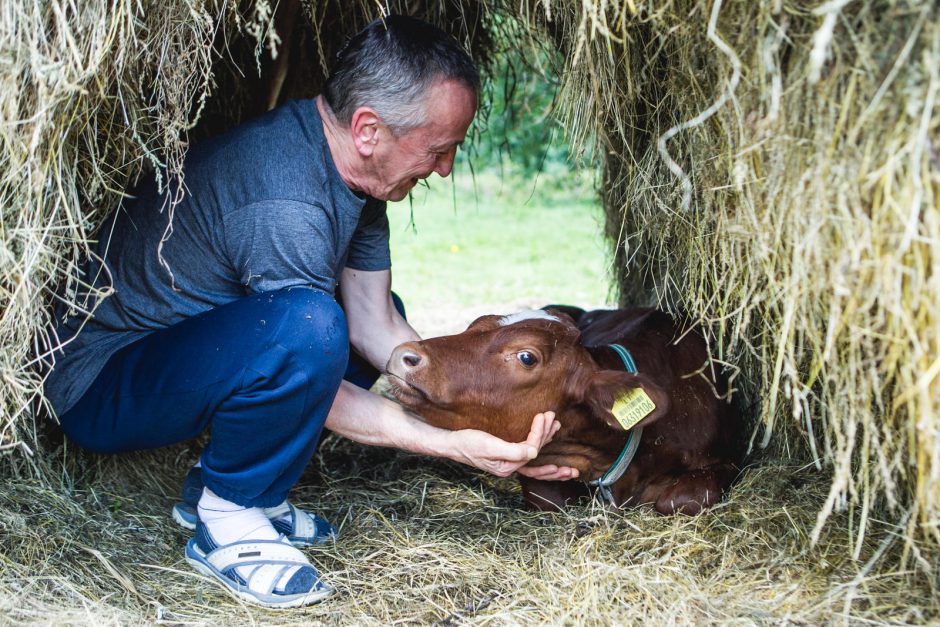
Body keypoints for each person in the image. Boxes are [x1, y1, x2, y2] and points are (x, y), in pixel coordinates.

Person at [43, 15, 578, 608]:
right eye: (438, 149)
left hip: (187, 355)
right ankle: (226, 518)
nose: (446, 168)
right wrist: (452, 447)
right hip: (102, 384)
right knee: (312, 326)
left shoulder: (359, 180)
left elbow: (379, 326)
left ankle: (238, 489)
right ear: (369, 129)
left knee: (342, 320)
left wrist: (478, 419)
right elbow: (312, 371)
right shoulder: (285, 200)